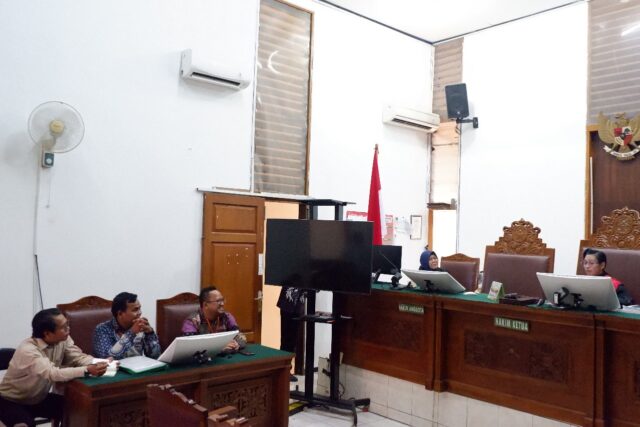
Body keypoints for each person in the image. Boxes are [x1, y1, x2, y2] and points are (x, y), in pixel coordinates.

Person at [0, 308, 108, 427]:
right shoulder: (28, 351)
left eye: (68, 324)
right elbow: (52, 373)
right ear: (47, 333)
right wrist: (87, 370)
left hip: (37, 398)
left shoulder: (63, 339)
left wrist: (101, 363)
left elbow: (77, 358)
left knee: (77, 408)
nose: (68, 329)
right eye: (63, 327)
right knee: (24, 425)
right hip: (10, 400)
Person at [93, 292, 161, 360]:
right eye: (135, 310)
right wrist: (131, 333)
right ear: (120, 313)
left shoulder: (140, 326)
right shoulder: (102, 329)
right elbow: (107, 358)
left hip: (138, 365)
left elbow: (155, 357)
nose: (140, 313)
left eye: (139, 308)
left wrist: (150, 334)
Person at [181, 286, 247, 353]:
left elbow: (241, 336)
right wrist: (218, 347)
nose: (222, 304)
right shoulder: (192, 321)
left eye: (222, 300)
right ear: (206, 305)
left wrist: (237, 344)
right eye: (218, 301)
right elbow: (188, 346)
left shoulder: (227, 317)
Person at [277, 286, 306, 382]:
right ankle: (283, 370)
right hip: (287, 304)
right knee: (286, 339)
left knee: (293, 340)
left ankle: (287, 369)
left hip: (298, 306)